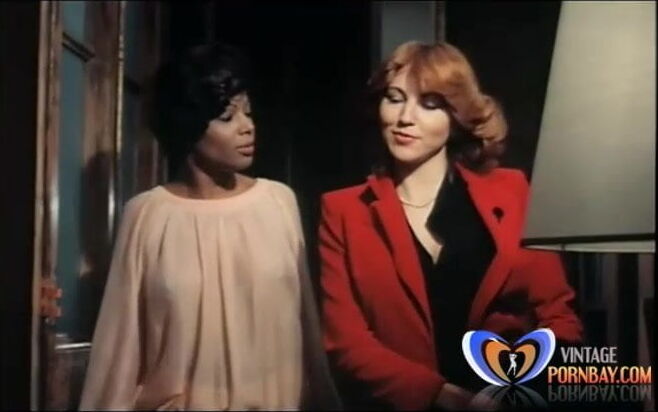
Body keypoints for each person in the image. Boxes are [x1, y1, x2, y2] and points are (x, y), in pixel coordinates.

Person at [318, 41, 583, 410]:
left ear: (456, 115)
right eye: (394, 99)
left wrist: (517, 389)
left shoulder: (512, 192)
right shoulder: (343, 210)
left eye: (430, 104)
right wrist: (439, 395)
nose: (405, 117)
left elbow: (557, 316)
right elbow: (346, 342)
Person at [80, 42, 339, 411]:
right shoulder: (147, 215)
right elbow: (119, 345)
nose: (248, 127)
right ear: (188, 122)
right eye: (228, 117)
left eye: (249, 112)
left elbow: (307, 326)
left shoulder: (278, 202)